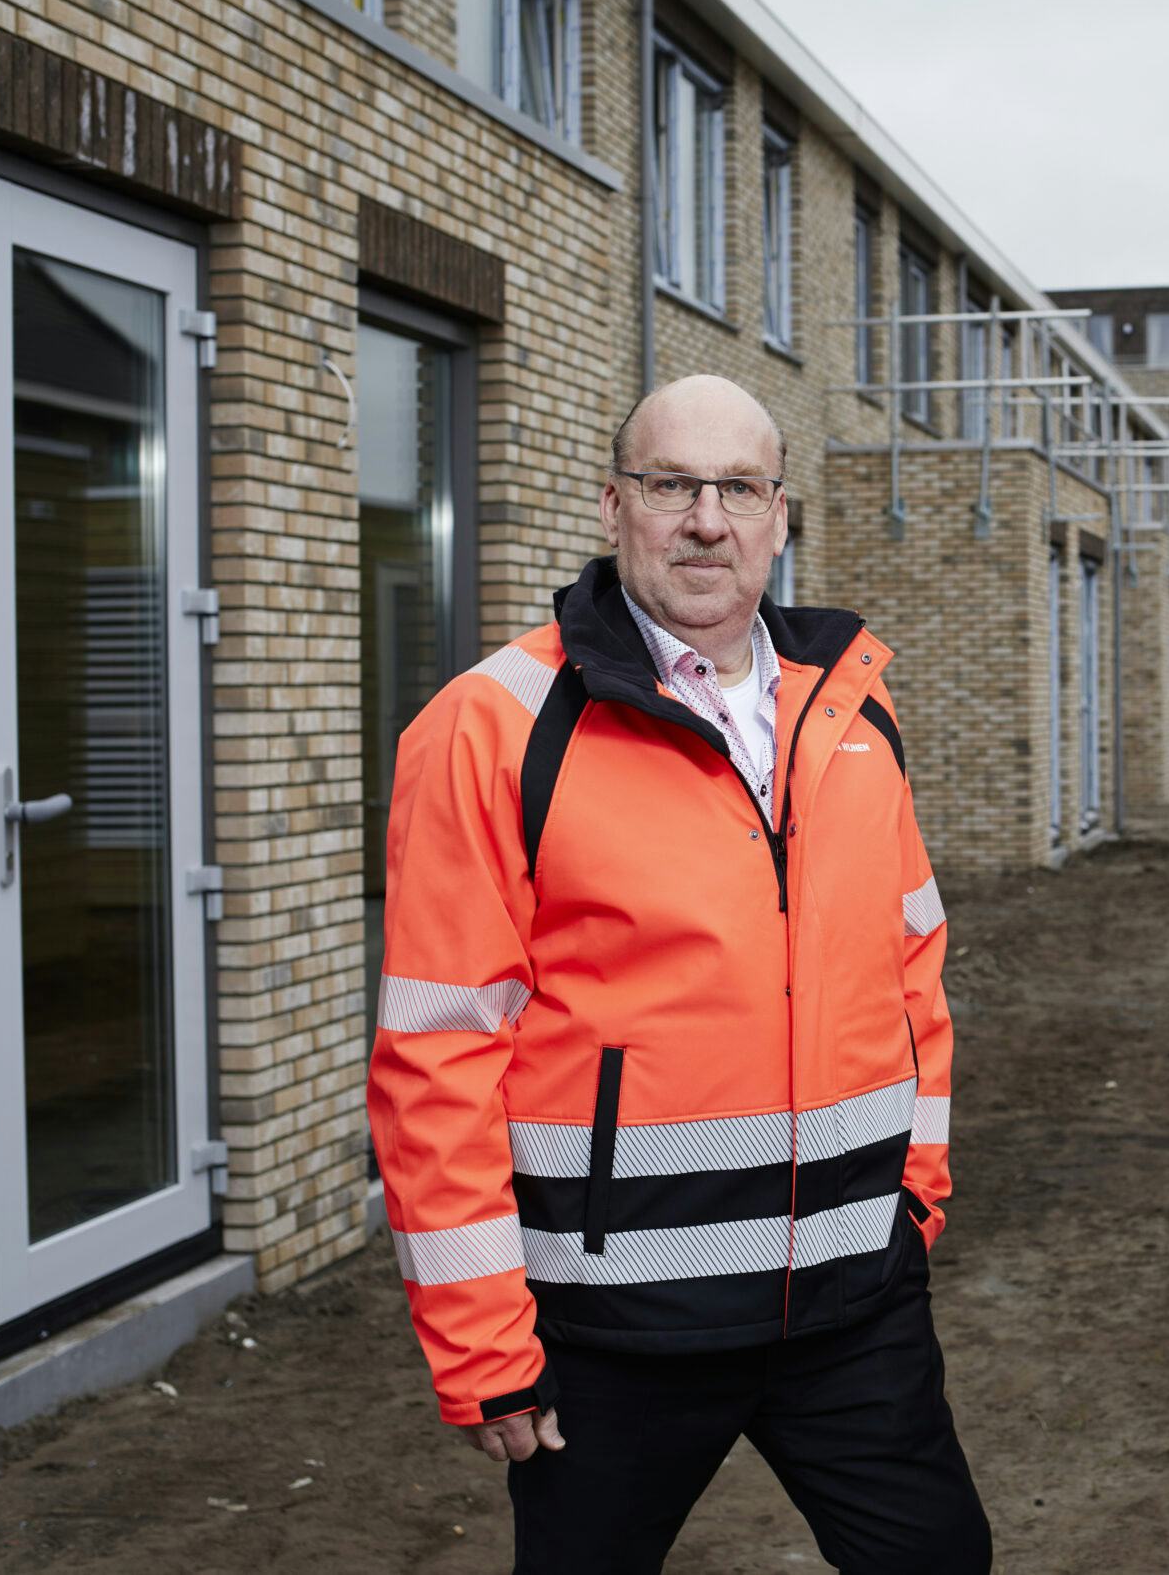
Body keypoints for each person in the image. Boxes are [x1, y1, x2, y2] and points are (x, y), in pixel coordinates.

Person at [369, 375, 989, 1573]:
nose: (707, 519)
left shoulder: (853, 711)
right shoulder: (492, 725)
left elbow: (913, 971)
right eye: (671, 485)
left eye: (739, 489)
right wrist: (483, 1345)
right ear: (614, 507)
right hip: (612, 1330)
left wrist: (912, 1198)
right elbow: (437, 1054)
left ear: (780, 516)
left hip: (852, 1308)